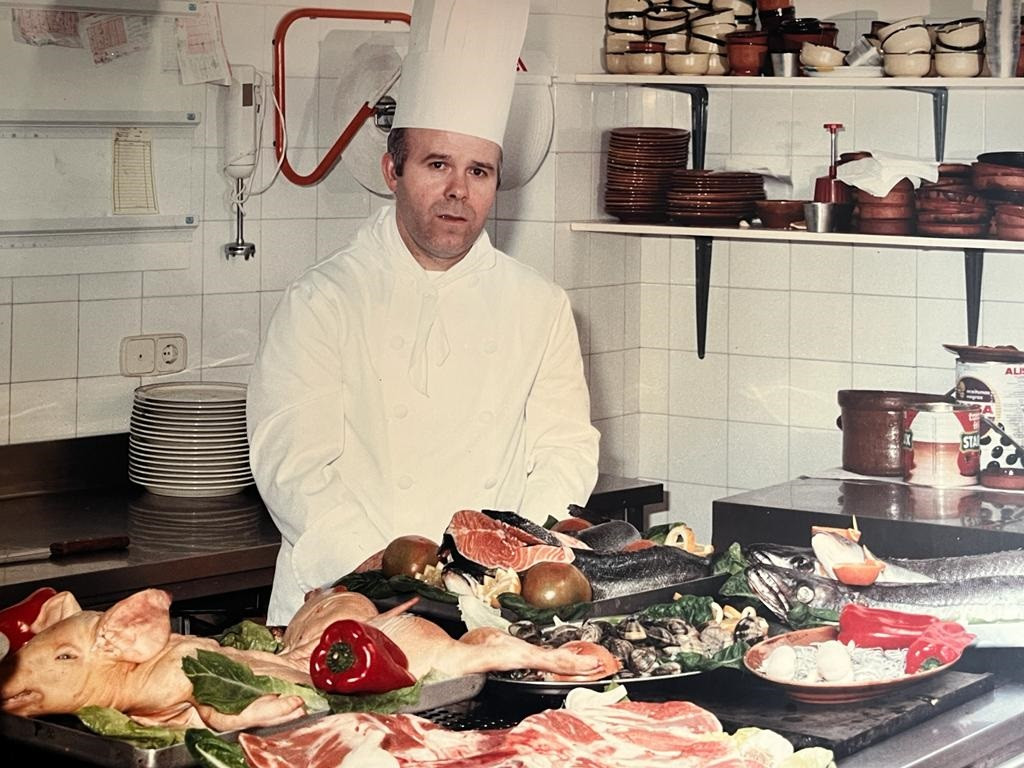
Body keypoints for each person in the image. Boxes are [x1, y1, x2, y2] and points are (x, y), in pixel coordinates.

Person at [246, 0, 600, 625]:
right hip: (345, 597)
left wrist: (517, 563)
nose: (458, 191)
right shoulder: (323, 300)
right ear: (393, 170)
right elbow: (291, 464)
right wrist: (392, 575)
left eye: (478, 170)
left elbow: (564, 449)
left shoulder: (540, 304)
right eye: (437, 165)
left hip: (495, 608)